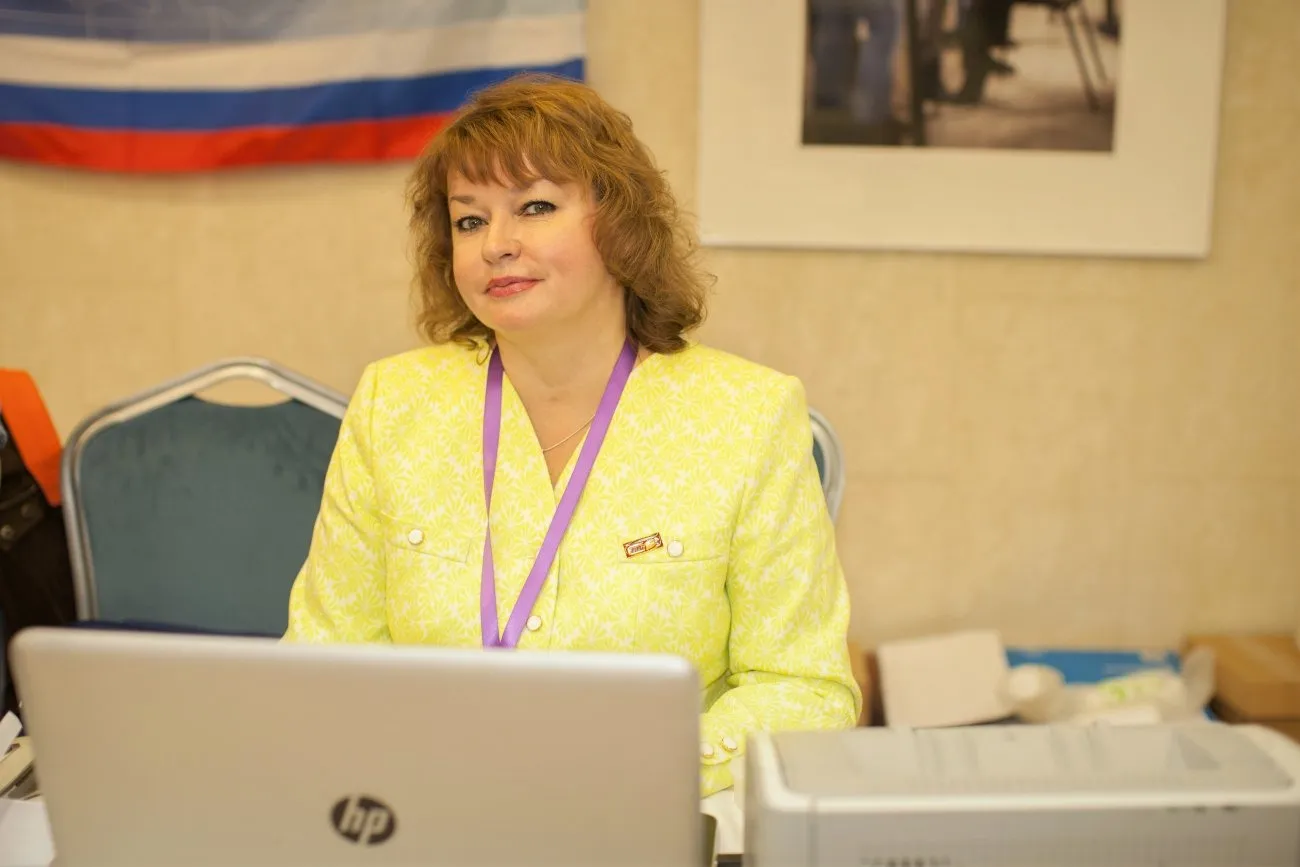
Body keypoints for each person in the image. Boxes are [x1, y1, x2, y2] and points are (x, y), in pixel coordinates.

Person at [282, 73, 862, 797]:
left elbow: (803, 690)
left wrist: (630, 769)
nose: (496, 245)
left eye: (535, 207)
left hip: (643, 815)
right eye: (469, 221)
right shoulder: (393, 404)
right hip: (426, 810)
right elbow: (324, 662)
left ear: (618, 223)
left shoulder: (748, 415)